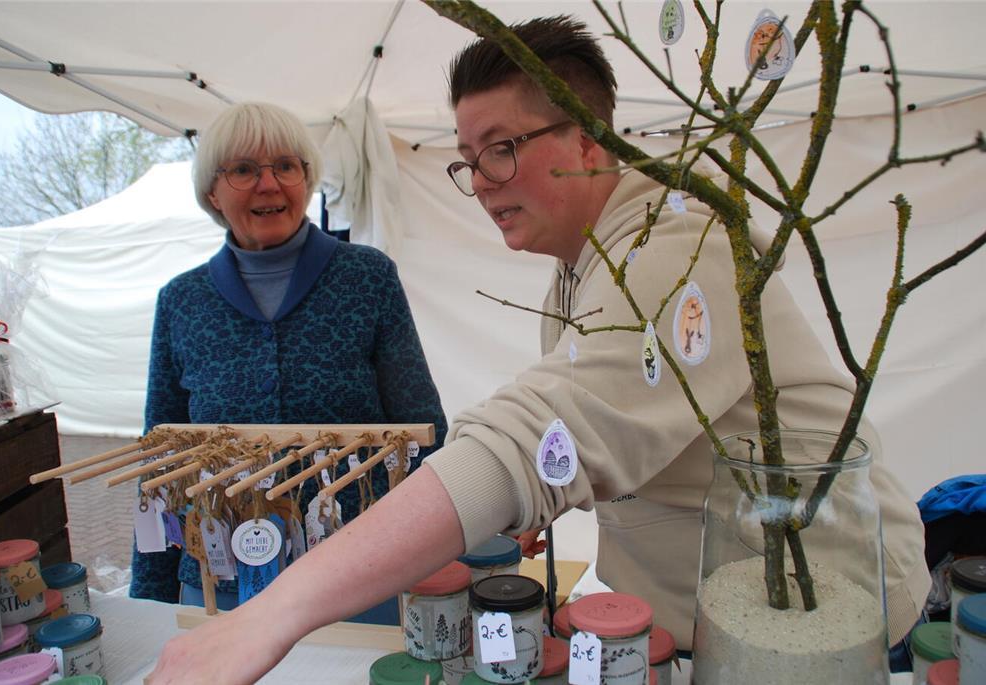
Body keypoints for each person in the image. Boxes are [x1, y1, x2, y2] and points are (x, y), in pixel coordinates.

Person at [147, 18, 930, 683]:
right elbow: (601, 438)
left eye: (502, 148)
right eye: (469, 158)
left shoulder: (678, 245)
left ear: (586, 140)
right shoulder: (582, 266)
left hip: (814, 619)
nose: (483, 181)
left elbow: (536, 435)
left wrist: (271, 614)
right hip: (705, 621)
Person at [129, 102, 448, 614]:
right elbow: (161, 458)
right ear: (212, 192)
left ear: (307, 177)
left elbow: (423, 429)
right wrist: (148, 602)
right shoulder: (182, 302)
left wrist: (436, 561)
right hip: (221, 580)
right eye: (243, 170)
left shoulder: (367, 278)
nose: (269, 184)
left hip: (361, 570)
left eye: (285, 166)